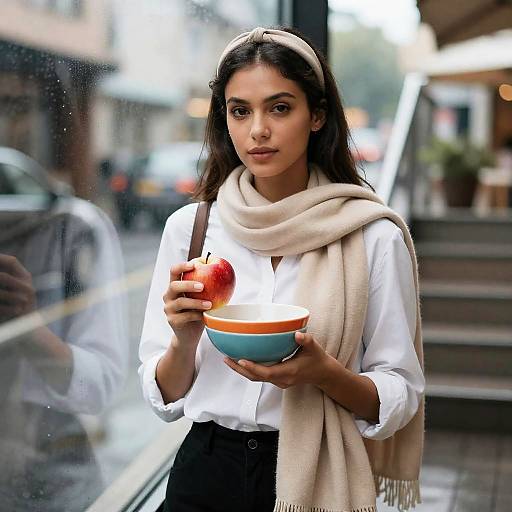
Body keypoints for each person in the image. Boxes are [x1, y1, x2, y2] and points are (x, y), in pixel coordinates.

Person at [139, 26, 425, 512]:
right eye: (239, 110)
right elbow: (163, 396)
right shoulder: (192, 229)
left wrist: (324, 374)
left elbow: (401, 392)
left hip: (317, 469)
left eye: (279, 107)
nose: (257, 131)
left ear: (316, 115)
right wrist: (184, 339)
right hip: (205, 472)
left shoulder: (371, 234)